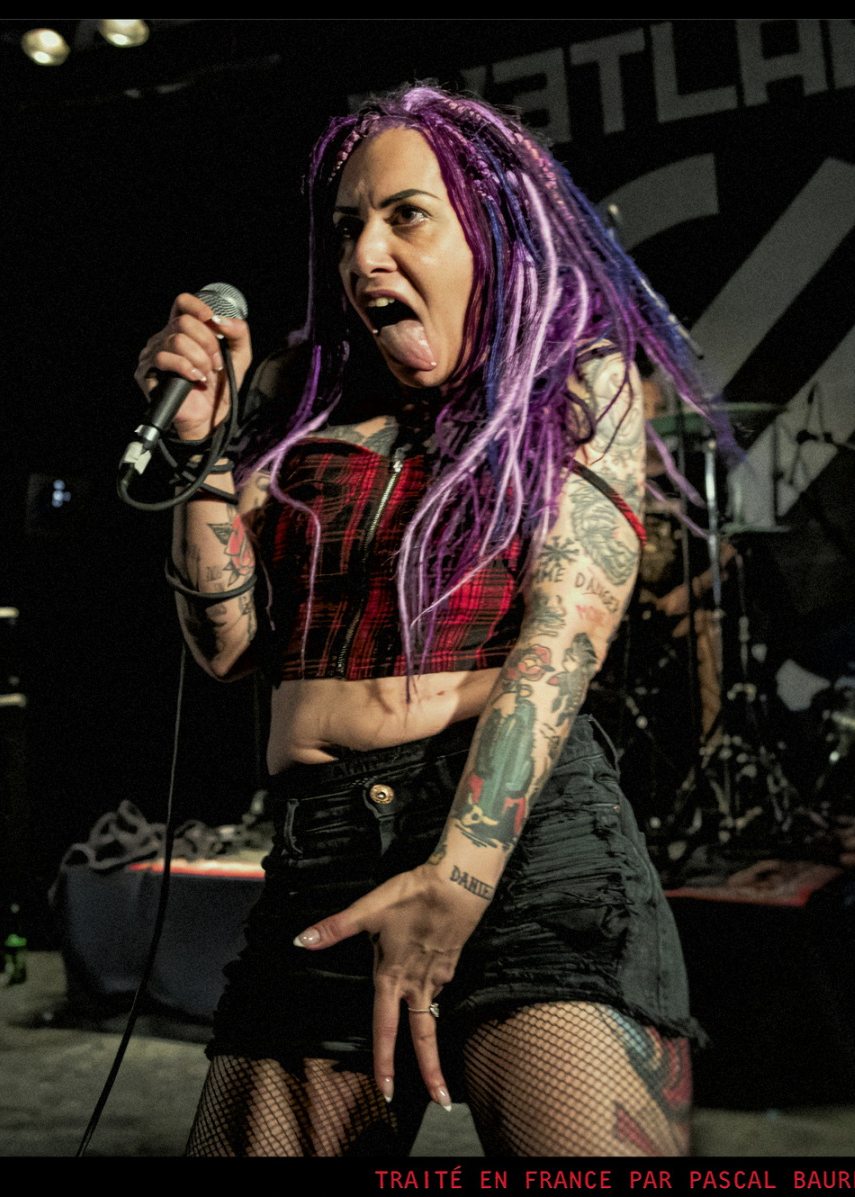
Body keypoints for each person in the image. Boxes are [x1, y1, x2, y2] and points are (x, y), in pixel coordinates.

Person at [134, 85, 711, 1156]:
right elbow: (227, 645)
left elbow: (562, 640)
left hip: (519, 842)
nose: (366, 256)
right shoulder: (293, 398)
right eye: (348, 227)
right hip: (322, 853)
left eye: (406, 216)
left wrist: (460, 874)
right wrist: (202, 455)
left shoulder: (575, 385)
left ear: (489, 233)